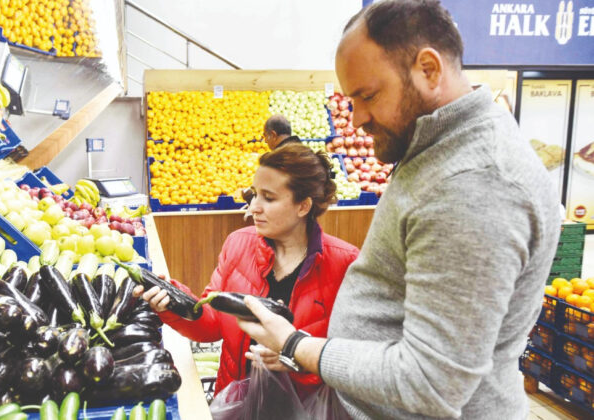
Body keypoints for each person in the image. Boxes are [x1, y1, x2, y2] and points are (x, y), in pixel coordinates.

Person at [238, 1, 561, 419]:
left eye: (368, 95)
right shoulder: (438, 148)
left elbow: (430, 383)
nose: (356, 119)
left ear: (428, 69)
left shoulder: (473, 183)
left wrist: (296, 345)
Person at [134, 143, 359, 399]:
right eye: (254, 195)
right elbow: (212, 324)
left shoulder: (345, 264)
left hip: (307, 407)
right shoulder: (238, 244)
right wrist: (174, 304)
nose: (253, 207)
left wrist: (298, 359)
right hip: (237, 402)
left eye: (268, 198)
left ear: (303, 206)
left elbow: (356, 361)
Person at [241, 115, 304, 205]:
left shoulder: (277, 160)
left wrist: (249, 196)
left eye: (266, 136)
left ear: (273, 135)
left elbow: (270, 201)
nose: (265, 141)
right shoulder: (305, 152)